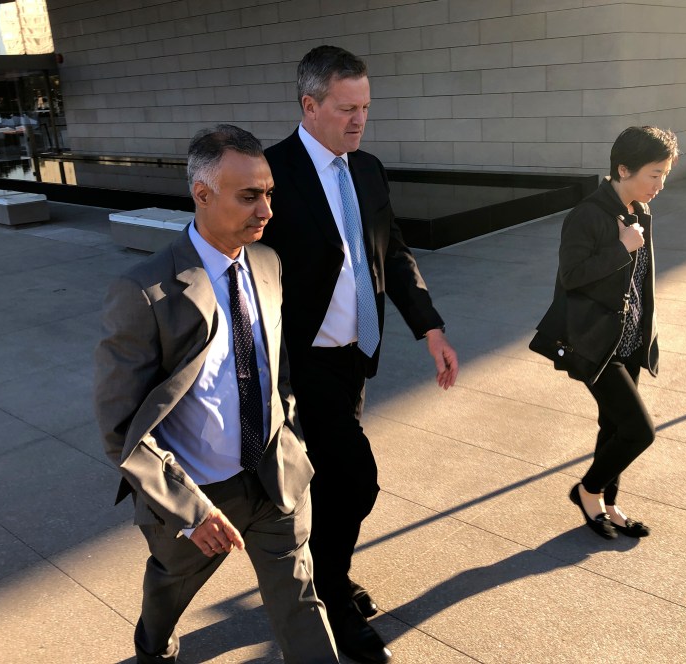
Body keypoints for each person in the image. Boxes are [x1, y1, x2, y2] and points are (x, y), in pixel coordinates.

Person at [94, 124, 338, 664]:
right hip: (197, 496)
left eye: (269, 192)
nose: (266, 209)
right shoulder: (144, 291)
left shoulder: (270, 265)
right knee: (168, 591)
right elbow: (120, 429)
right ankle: (153, 649)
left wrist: (290, 440)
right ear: (202, 194)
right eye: (249, 195)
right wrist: (188, 510)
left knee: (301, 603)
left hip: (275, 478)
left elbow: (279, 375)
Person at [260, 45, 459, 664]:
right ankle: (331, 602)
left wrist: (429, 327)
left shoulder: (367, 169)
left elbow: (390, 252)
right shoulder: (270, 172)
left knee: (333, 480)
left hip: (356, 356)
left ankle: (328, 575)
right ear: (309, 105)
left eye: (366, 107)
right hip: (302, 360)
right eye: (347, 108)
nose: (359, 119)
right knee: (357, 479)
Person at [556, 126, 679, 540]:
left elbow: (639, 281)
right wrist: (621, 247)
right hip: (596, 344)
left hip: (629, 341)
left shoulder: (640, 211)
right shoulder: (588, 214)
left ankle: (608, 503)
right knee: (638, 431)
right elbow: (572, 277)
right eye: (654, 174)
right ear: (623, 169)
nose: (660, 184)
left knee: (613, 427)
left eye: (664, 174)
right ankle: (587, 491)